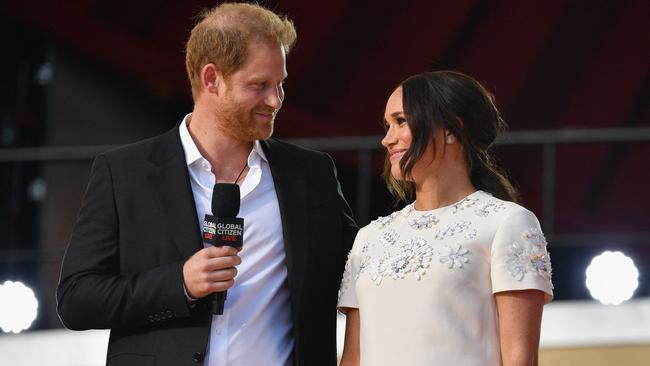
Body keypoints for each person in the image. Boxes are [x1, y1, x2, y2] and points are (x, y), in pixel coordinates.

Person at [56, 3, 357, 365]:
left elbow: (362, 269)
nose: (275, 101)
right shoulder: (125, 172)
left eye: (280, 84)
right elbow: (76, 299)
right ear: (212, 78)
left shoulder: (310, 174)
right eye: (259, 85)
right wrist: (179, 284)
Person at [338, 71, 553, 366]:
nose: (387, 139)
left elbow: (520, 360)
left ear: (452, 128)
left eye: (401, 121)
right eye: (387, 125)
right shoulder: (369, 238)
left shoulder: (506, 223)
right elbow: (353, 358)